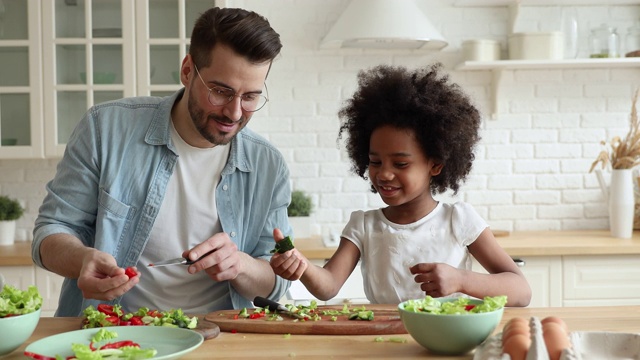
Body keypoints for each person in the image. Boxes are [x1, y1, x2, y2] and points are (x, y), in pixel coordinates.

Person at [32, 7, 293, 316]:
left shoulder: (268, 165)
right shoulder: (105, 128)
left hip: (220, 336)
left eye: (250, 96)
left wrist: (241, 265)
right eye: (220, 92)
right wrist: (82, 259)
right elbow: (50, 231)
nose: (234, 113)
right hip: (113, 332)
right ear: (187, 71)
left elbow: (277, 281)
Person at [270, 63, 531, 307]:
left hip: (447, 344)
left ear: (435, 165)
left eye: (401, 164)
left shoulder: (458, 220)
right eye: (375, 161)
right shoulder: (364, 225)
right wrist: (301, 266)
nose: (384, 174)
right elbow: (327, 287)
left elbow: (521, 290)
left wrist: (462, 280)